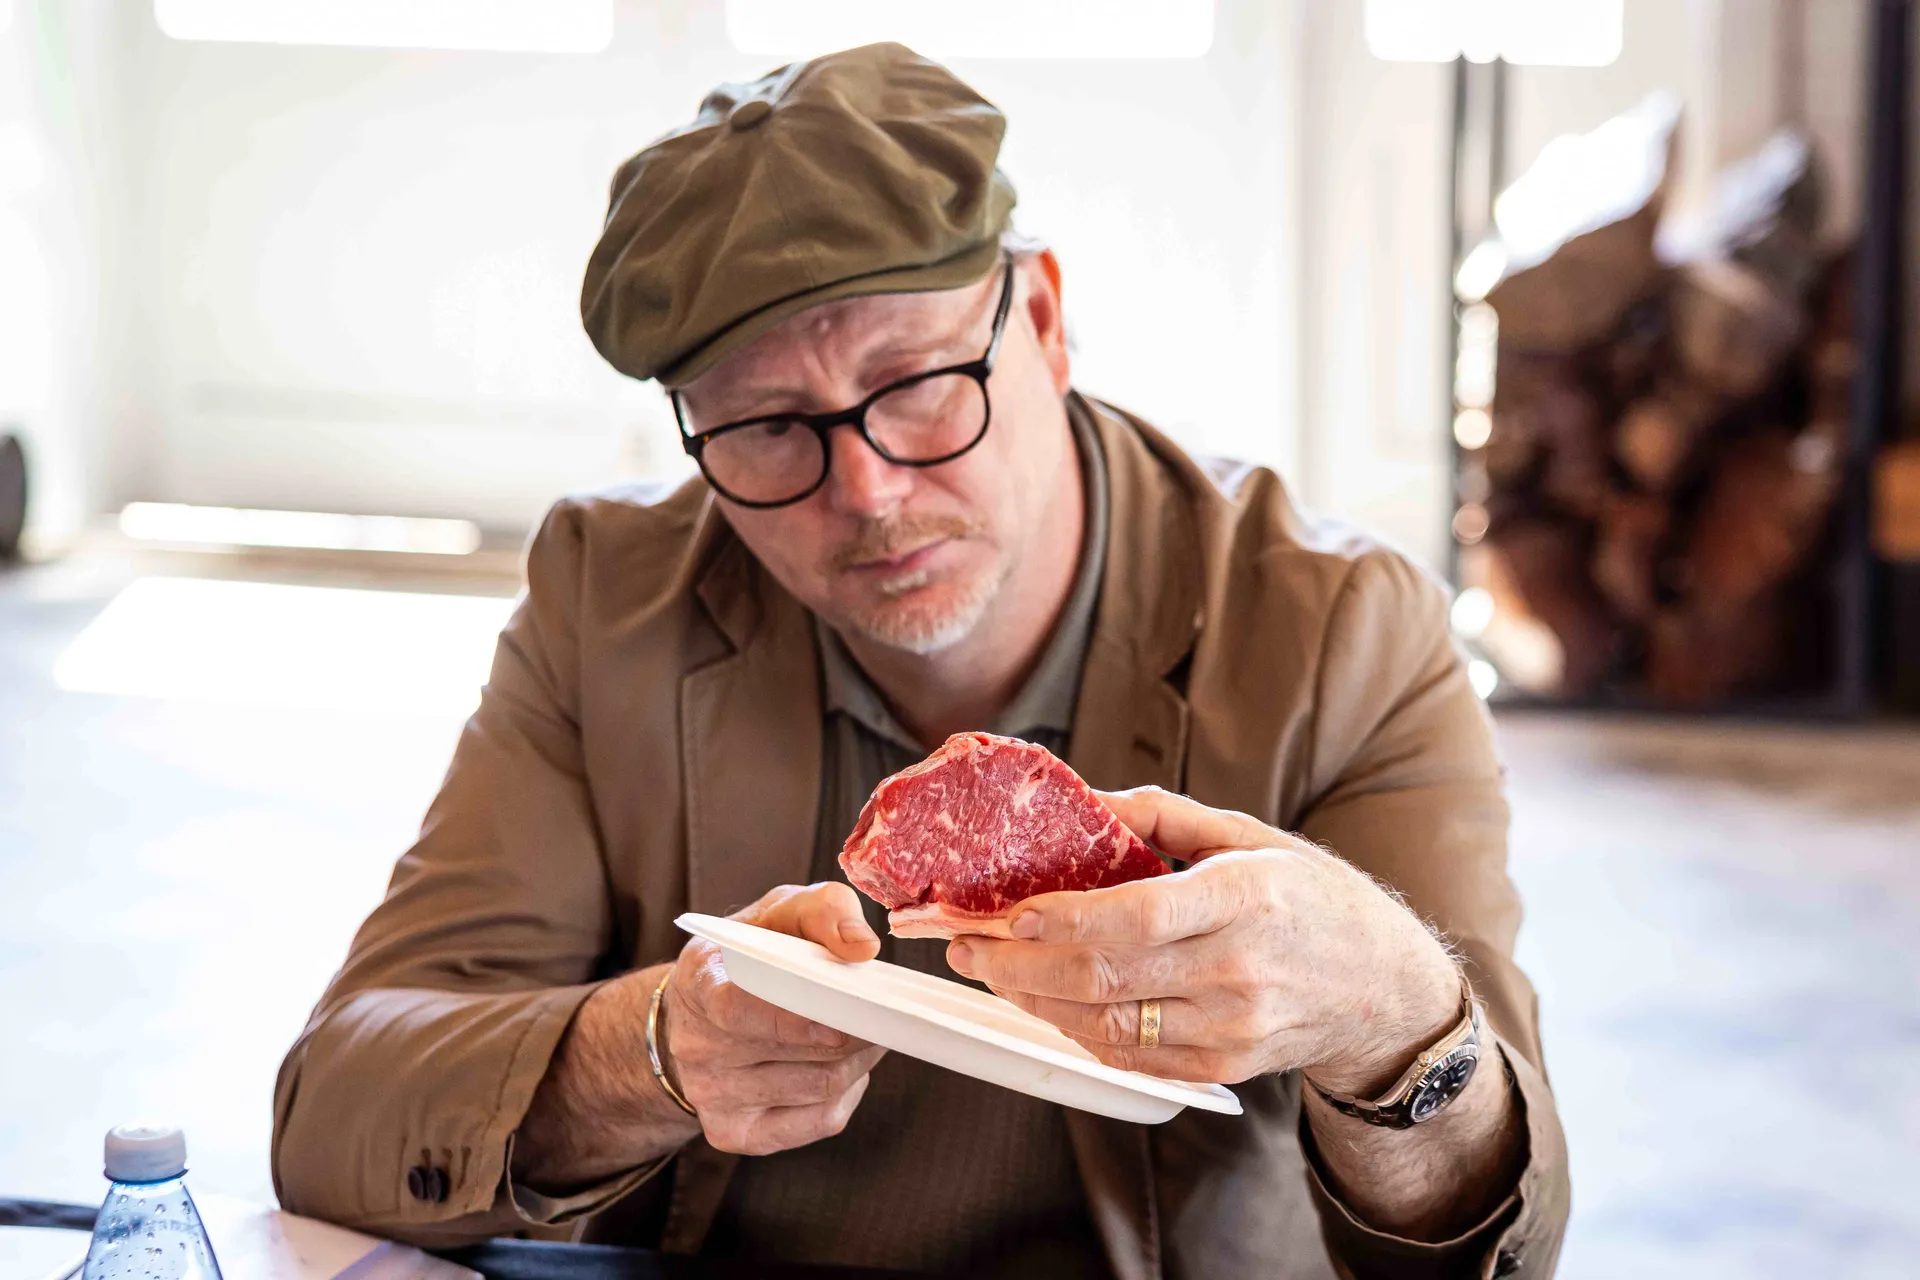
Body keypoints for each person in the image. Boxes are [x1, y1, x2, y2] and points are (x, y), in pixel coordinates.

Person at [272, 42, 1569, 1279]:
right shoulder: (607, 599)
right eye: (769, 427)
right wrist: (656, 1049)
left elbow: (1497, 1246)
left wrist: (1395, 1016)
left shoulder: (1340, 630)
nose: (870, 491)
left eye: (916, 384)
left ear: (1042, 319)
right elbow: (338, 1112)